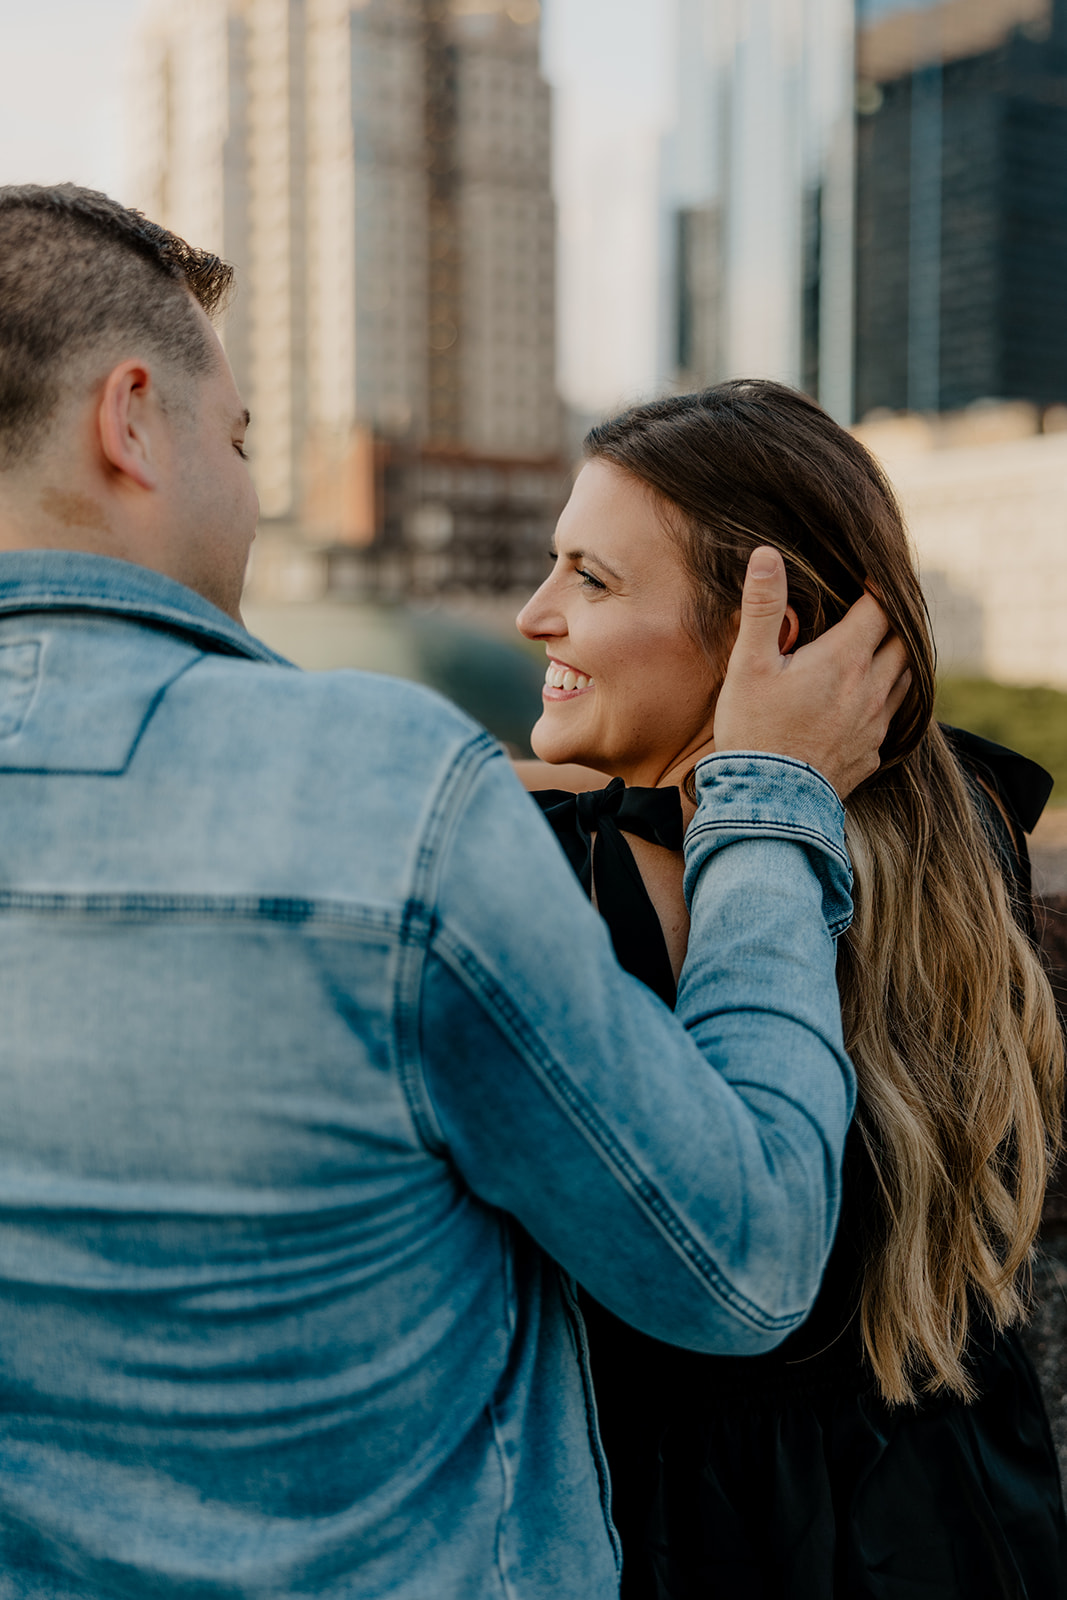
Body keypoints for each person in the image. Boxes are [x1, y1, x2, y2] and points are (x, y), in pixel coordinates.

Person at [0, 187, 910, 1598]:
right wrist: (770, 803)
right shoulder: (382, 792)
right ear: (130, 420)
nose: (251, 487)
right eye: (239, 440)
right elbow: (735, 1256)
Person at [515, 379, 1067, 1600]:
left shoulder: (556, 884)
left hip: (676, 1535)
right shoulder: (961, 824)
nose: (530, 615)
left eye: (588, 580)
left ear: (775, 636)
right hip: (954, 1506)